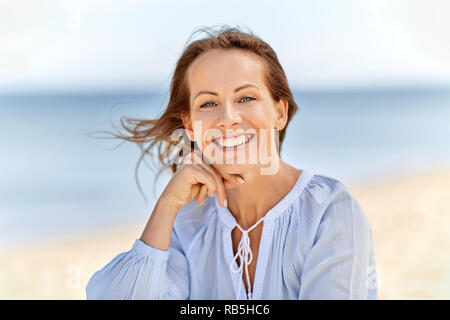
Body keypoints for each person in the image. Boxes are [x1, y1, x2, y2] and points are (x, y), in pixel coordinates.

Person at [86, 26, 378, 300]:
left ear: (280, 113)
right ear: (189, 124)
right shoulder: (188, 222)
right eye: (208, 104)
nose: (227, 118)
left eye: (246, 97)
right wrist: (167, 207)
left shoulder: (329, 210)